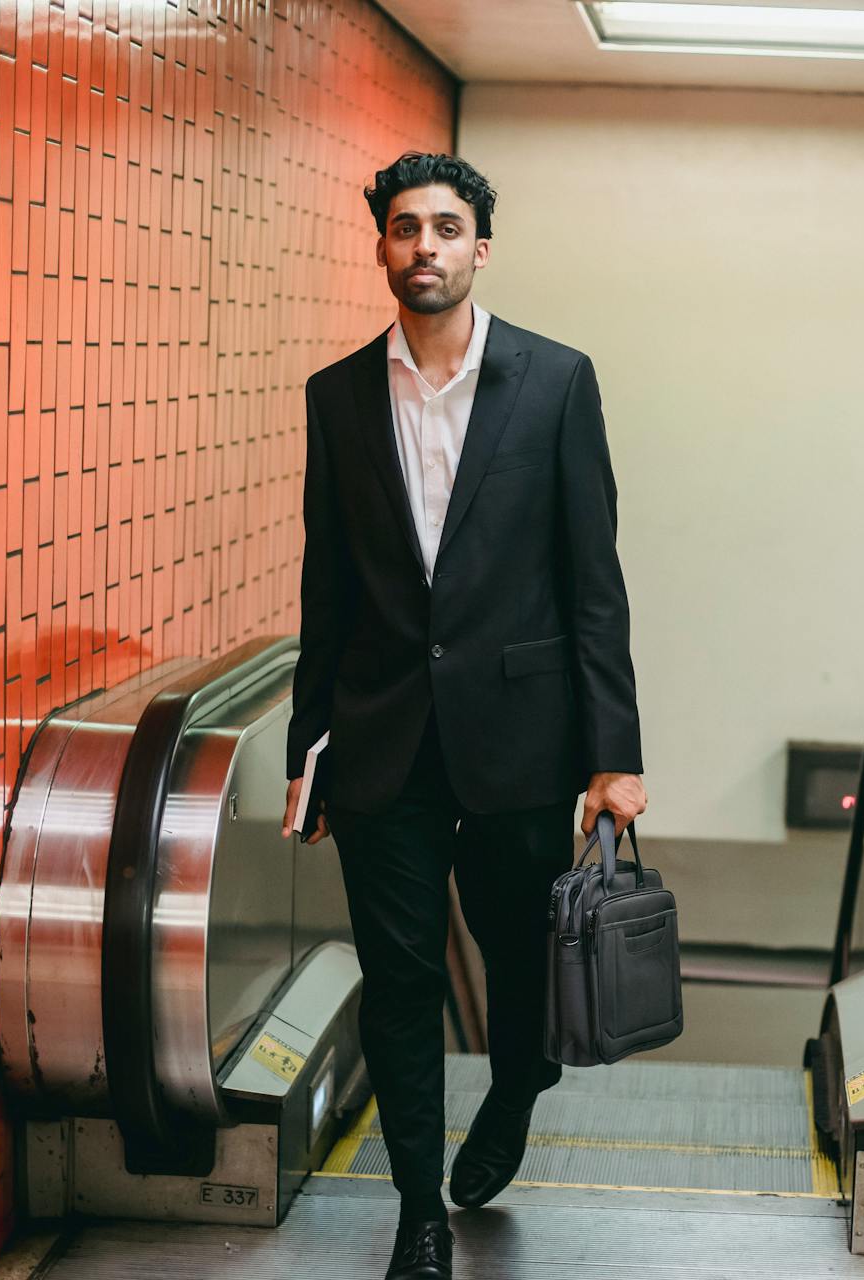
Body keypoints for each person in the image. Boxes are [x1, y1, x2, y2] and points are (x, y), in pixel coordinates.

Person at [280, 151, 647, 1280]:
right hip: (383, 739)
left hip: (522, 741)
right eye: (405, 228)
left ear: (480, 247)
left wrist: (614, 754)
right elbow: (326, 584)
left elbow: (594, 576)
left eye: (446, 227)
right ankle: (417, 1216)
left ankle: (521, 1083)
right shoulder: (338, 395)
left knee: (519, 960)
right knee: (400, 982)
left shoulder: (555, 379)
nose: (424, 246)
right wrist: (308, 754)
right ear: (382, 247)